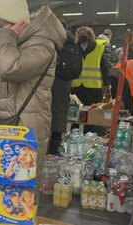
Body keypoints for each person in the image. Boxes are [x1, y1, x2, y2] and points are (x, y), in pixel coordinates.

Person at [0, 0, 66, 202]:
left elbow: (10, 68)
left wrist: (4, 35)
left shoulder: (42, 43)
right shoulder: (10, 41)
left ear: (15, 20)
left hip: (24, 128)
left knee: (20, 196)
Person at [49, 20, 82, 155]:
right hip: (64, 86)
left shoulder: (54, 41)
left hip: (51, 83)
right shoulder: (72, 43)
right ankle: (53, 153)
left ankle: (45, 154)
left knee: (46, 119)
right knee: (58, 119)